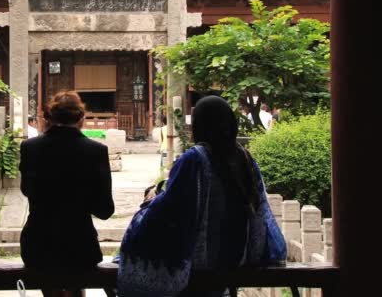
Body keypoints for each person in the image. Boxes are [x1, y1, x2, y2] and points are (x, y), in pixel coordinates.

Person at [117, 96, 286, 297]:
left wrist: (150, 201)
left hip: (203, 261)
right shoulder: (245, 157)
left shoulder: (195, 159)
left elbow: (171, 209)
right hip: (237, 257)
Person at [19, 90, 115, 297]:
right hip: (78, 243)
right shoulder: (95, 150)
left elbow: (27, 189)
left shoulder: (30, 147)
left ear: (49, 117)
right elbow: (105, 209)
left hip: (39, 242)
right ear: (82, 117)